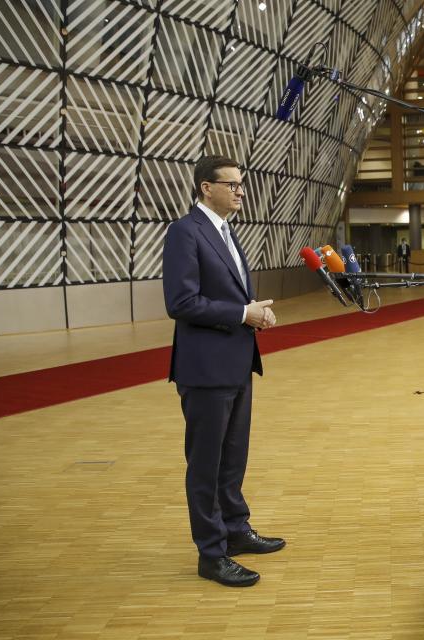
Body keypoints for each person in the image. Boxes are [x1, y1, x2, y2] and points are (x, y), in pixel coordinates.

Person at [162, 155, 286, 588]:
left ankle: (236, 530)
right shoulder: (185, 232)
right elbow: (180, 303)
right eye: (231, 184)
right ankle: (211, 554)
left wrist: (254, 315)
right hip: (205, 370)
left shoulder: (227, 233)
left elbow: (235, 299)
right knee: (206, 464)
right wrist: (241, 313)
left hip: (236, 364)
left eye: (241, 184)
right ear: (204, 188)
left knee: (232, 460)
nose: (240, 191)